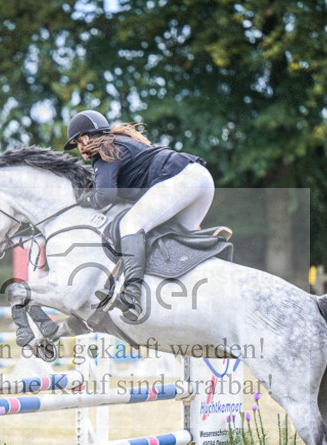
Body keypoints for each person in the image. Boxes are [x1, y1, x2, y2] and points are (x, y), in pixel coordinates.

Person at [63, 109, 215, 322]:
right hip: (201, 178)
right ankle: (202, 277)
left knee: (130, 224)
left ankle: (132, 295)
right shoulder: (120, 141)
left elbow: (106, 195)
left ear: (86, 137)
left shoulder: (104, 150)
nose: (79, 149)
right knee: (176, 239)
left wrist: (85, 200)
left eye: (78, 142)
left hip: (181, 180)